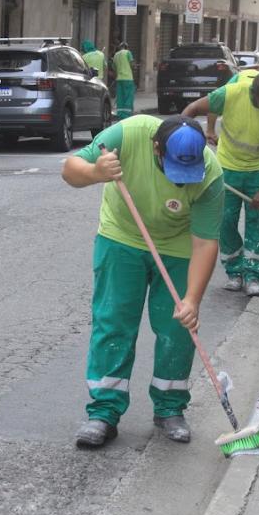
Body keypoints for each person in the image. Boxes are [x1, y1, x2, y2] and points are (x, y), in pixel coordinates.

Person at [62, 115, 224, 448]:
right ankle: (103, 412)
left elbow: (205, 242)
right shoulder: (128, 134)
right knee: (114, 323)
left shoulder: (211, 175)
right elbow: (70, 169)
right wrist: (96, 172)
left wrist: (192, 300)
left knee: (178, 326)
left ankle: (170, 408)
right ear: (156, 149)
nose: (180, 183)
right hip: (121, 237)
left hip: (178, 245)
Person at [183, 70, 259, 297]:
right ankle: (234, 271)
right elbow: (192, 110)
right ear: (252, 94)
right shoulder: (231, 93)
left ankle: (253, 275)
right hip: (227, 167)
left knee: (258, 224)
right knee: (224, 222)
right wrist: (184, 137)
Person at [113, 41, 136, 119]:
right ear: (126, 47)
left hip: (119, 79)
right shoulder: (128, 53)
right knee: (128, 97)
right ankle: (127, 114)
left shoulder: (116, 55)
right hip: (128, 79)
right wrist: (135, 68)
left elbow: (114, 67)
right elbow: (132, 64)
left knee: (120, 97)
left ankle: (120, 114)